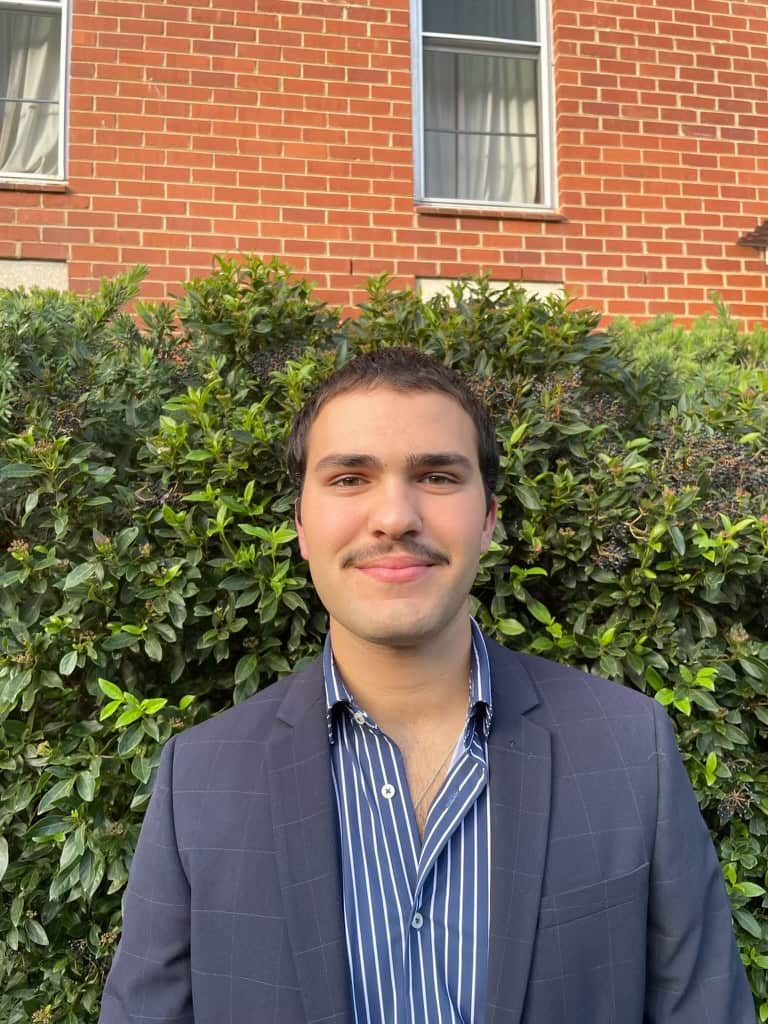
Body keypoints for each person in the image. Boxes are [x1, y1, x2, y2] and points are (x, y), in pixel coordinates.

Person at [98, 346, 755, 1024]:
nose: (395, 517)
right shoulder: (201, 778)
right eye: (350, 478)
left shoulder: (627, 749)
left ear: (489, 519)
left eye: (437, 476)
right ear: (299, 524)